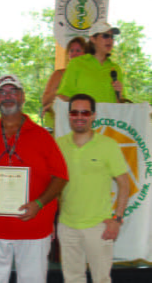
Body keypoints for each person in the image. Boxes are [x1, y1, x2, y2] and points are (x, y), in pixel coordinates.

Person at [0, 74, 68, 283]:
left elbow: (61, 176)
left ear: (22, 97)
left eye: (13, 91)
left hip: (34, 227)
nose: (7, 96)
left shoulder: (43, 137)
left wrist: (39, 203)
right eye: (2, 92)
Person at [56, 93, 130, 283]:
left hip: (99, 227)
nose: (79, 116)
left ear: (93, 115)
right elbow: (53, 185)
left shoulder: (108, 145)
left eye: (85, 112)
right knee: (72, 279)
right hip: (67, 226)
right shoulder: (58, 145)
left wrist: (117, 219)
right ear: (69, 114)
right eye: (74, 112)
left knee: (101, 280)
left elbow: (124, 184)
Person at [58, 22, 124, 103]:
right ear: (93, 39)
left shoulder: (116, 69)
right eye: (105, 36)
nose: (110, 40)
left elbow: (121, 105)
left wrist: (119, 94)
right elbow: (64, 95)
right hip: (84, 115)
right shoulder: (77, 63)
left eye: (112, 37)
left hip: (108, 115)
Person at [42, 36, 86, 112]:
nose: (74, 53)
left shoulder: (90, 75)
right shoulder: (58, 74)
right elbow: (45, 100)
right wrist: (62, 91)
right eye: (71, 51)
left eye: (78, 50)